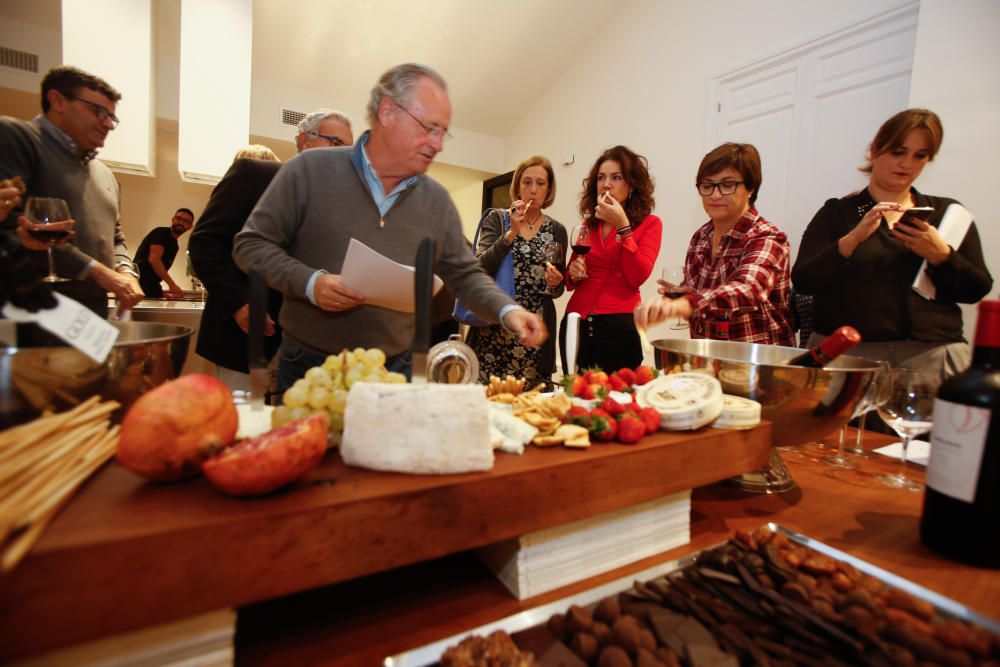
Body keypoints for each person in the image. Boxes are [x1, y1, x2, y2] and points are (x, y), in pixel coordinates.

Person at [232, 63, 546, 389]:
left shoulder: (435, 200)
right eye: (428, 128)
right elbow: (251, 245)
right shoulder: (308, 170)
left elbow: (466, 275)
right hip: (310, 366)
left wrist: (508, 310)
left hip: (397, 369)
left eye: (442, 132)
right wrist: (310, 283)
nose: (437, 144)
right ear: (387, 113)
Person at [792, 108, 992, 378]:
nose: (907, 164)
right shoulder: (838, 213)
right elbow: (804, 280)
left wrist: (942, 256)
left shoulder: (947, 214)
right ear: (874, 151)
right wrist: (852, 241)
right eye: (898, 152)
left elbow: (976, 289)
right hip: (850, 353)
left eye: (919, 156)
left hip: (929, 356)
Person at [189, 110, 354, 390]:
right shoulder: (253, 175)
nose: (344, 157)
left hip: (304, 351)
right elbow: (205, 243)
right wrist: (240, 303)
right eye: (336, 144)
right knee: (241, 428)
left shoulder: (337, 208)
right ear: (304, 140)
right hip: (244, 341)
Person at [0, 65, 143, 316]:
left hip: (90, 311)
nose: (108, 124)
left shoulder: (104, 173)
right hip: (33, 308)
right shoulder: (19, 137)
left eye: (112, 117)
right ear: (57, 101)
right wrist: (100, 273)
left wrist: (125, 272)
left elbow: (116, 239)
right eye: (98, 111)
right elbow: (13, 224)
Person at [634, 143, 795, 346]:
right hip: (708, 358)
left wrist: (686, 304)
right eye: (707, 186)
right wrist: (681, 297)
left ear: (750, 188)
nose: (715, 195)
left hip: (758, 364)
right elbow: (706, 301)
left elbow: (746, 290)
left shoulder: (767, 237)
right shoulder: (701, 237)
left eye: (727, 185)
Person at [466, 156, 567, 386]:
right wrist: (511, 233)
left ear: (548, 188)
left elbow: (557, 289)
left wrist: (554, 283)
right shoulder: (497, 219)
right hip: (493, 333)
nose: (533, 190)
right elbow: (479, 267)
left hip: (534, 337)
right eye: (527, 182)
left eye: (540, 183)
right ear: (517, 186)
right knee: (489, 408)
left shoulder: (557, 230)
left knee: (532, 412)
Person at [561, 145, 661, 373]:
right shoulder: (587, 225)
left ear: (632, 184)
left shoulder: (651, 224)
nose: (606, 184)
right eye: (601, 178)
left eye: (616, 177)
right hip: (576, 322)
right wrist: (574, 274)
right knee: (572, 399)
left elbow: (637, 276)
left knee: (618, 400)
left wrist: (623, 226)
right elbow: (568, 281)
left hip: (620, 328)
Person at [134, 208, 195, 298]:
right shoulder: (161, 233)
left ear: (190, 227)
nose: (181, 222)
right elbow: (154, 259)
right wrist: (172, 285)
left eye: (186, 221)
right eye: (178, 218)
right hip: (139, 284)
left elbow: (153, 276)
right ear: (173, 219)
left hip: (149, 286)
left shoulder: (175, 245)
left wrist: (163, 294)